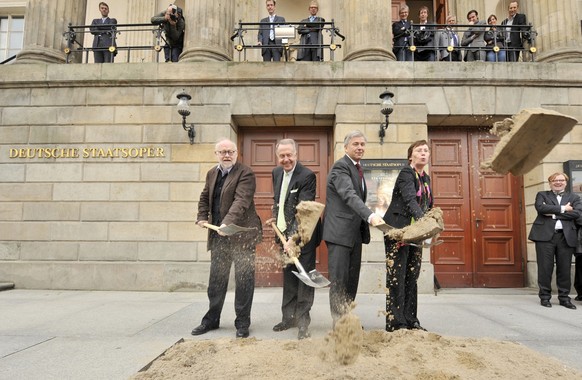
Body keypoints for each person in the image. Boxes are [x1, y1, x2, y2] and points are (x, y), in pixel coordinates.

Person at [191, 139, 263, 338]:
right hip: (219, 237)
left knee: (244, 280)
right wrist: (201, 216)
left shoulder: (245, 173)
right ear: (216, 154)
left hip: (242, 235)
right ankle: (211, 320)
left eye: (230, 151)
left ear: (236, 153)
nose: (226, 155)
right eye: (222, 152)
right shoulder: (212, 173)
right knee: (216, 279)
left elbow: (241, 201)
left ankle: (242, 323)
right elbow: (205, 197)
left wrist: (227, 222)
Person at [323, 131, 384, 326]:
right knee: (340, 281)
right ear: (346, 147)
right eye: (355, 144)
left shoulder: (358, 167)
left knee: (351, 280)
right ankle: (338, 323)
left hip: (354, 235)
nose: (360, 147)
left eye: (362, 144)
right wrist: (369, 215)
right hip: (339, 234)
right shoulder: (341, 167)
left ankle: (346, 318)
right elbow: (348, 194)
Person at [269, 139, 321, 340]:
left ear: (296, 155)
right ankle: (288, 318)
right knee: (289, 277)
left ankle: (303, 322)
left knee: (304, 279)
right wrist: (276, 215)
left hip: (303, 236)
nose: (286, 159)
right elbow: (279, 200)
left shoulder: (306, 176)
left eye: (289, 155)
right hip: (283, 235)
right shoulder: (276, 173)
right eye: (282, 156)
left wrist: (292, 238)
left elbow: (303, 210)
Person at [384, 140, 432, 332]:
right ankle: (396, 322)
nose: (423, 153)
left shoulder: (425, 178)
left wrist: (429, 227)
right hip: (398, 232)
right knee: (397, 276)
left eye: (426, 151)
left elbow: (428, 204)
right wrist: (424, 223)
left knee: (412, 277)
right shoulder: (406, 173)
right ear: (410, 156)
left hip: (415, 235)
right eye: (419, 150)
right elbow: (410, 200)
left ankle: (411, 319)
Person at [528, 172, 581, 309]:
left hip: (566, 236)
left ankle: (564, 298)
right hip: (544, 237)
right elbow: (540, 208)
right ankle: (545, 297)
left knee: (564, 268)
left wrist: (552, 215)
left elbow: (577, 213)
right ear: (550, 182)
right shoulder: (542, 194)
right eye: (555, 180)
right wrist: (564, 209)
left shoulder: (574, 197)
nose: (558, 182)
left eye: (561, 180)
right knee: (545, 268)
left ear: (566, 182)